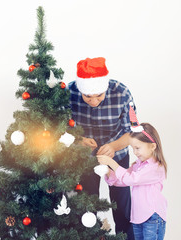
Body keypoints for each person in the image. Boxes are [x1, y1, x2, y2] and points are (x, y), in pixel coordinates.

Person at [68, 57, 135, 239]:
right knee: (88, 203)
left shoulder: (122, 93)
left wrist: (113, 146)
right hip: (84, 156)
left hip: (117, 153)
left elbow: (133, 132)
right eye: (88, 96)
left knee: (122, 202)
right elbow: (60, 129)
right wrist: (78, 139)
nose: (94, 101)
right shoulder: (69, 92)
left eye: (99, 95)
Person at [97, 121, 167, 240]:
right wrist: (108, 171)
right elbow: (122, 180)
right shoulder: (138, 165)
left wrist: (111, 163)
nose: (135, 152)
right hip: (137, 217)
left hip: (152, 217)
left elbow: (131, 179)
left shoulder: (155, 168)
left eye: (138, 148)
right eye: (133, 148)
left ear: (152, 146)